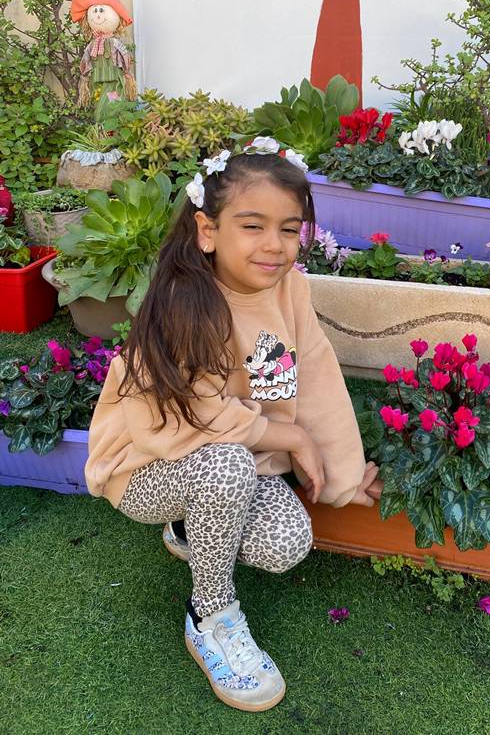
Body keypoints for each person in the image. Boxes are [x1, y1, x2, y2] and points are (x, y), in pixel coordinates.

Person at [84, 145, 380, 712]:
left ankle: (190, 529)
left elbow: (316, 374)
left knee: (286, 542)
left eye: (289, 229)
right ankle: (211, 614)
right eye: (252, 226)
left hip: (238, 459)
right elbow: (184, 421)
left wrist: (344, 478)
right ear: (208, 231)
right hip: (146, 466)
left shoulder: (290, 288)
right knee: (224, 465)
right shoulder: (182, 305)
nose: (274, 244)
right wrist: (291, 438)